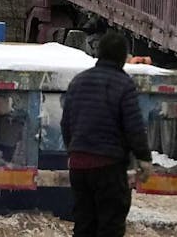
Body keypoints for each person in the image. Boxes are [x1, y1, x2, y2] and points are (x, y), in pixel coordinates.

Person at [61, 31, 153, 237]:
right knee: (110, 226)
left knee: (84, 224)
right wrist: (143, 158)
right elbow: (133, 126)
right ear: (123, 57)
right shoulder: (123, 84)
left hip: (79, 166)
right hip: (109, 167)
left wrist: (73, 151)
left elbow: (66, 123)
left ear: (99, 53)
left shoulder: (78, 81)